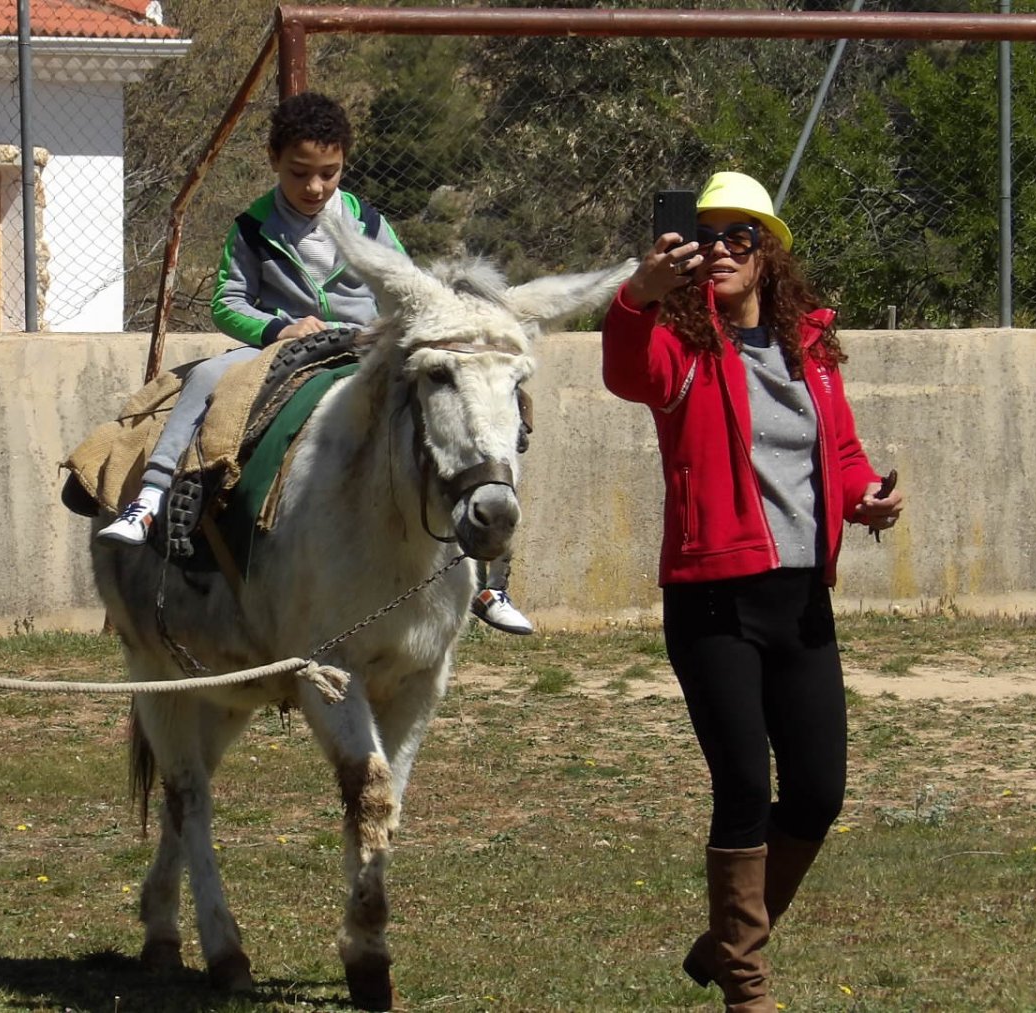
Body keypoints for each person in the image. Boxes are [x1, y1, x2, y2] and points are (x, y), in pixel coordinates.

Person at [601, 171, 905, 1012]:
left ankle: (727, 938)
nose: (723, 250)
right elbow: (626, 371)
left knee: (817, 791)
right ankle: (746, 983)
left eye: (741, 236)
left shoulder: (811, 345)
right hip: (713, 600)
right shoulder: (680, 347)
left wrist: (866, 496)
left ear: (768, 253)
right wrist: (640, 294)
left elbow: (840, 454)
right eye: (708, 237)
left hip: (802, 599)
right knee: (741, 784)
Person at [97, 91, 534, 635]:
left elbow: (404, 290)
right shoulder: (252, 227)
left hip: (364, 346)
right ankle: (151, 497)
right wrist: (279, 328)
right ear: (273, 160)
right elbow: (226, 303)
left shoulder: (368, 222)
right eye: (299, 173)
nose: (314, 187)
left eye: (329, 173)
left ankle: (491, 580)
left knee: (471, 410)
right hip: (280, 346)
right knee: (207, 376)